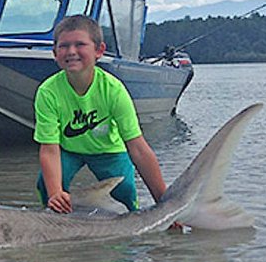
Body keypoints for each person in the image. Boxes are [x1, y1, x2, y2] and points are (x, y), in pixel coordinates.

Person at [34, 14, 170, 214]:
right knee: (46, 185)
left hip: (108, 150)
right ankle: (53, 222)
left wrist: (164, 203)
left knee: (124, 191)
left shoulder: (113, 90)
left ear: (99, 51)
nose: (71, 51)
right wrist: (55, 194)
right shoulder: (48, 92)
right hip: (68, 149)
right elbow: (49, 149)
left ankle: (133, 229)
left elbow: (138, 149)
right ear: (54, 53)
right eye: (63, 46)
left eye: (80, 44)